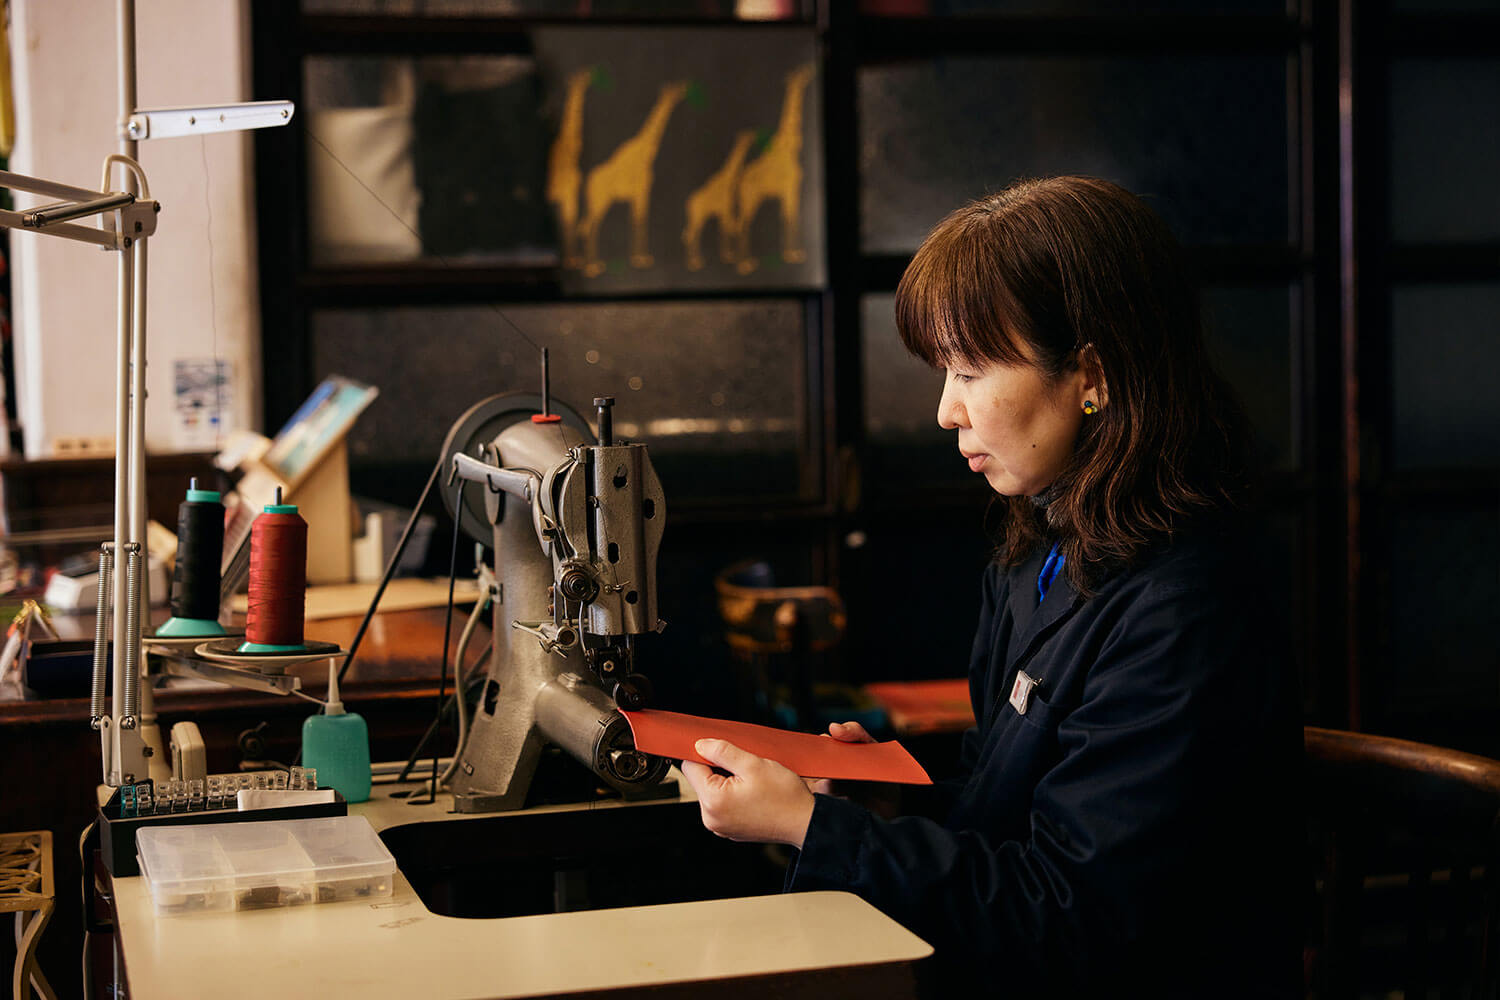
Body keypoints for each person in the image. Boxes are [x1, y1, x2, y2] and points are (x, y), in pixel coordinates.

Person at [679, 176, 1303, 997]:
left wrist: (813, 828)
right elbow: (999, 820)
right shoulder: (1038, 551)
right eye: (945, 370)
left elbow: (1074, 916)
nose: (945, 411)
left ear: (1093, 375)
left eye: (971, 370)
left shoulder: (1187, 605)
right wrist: (882, 809)